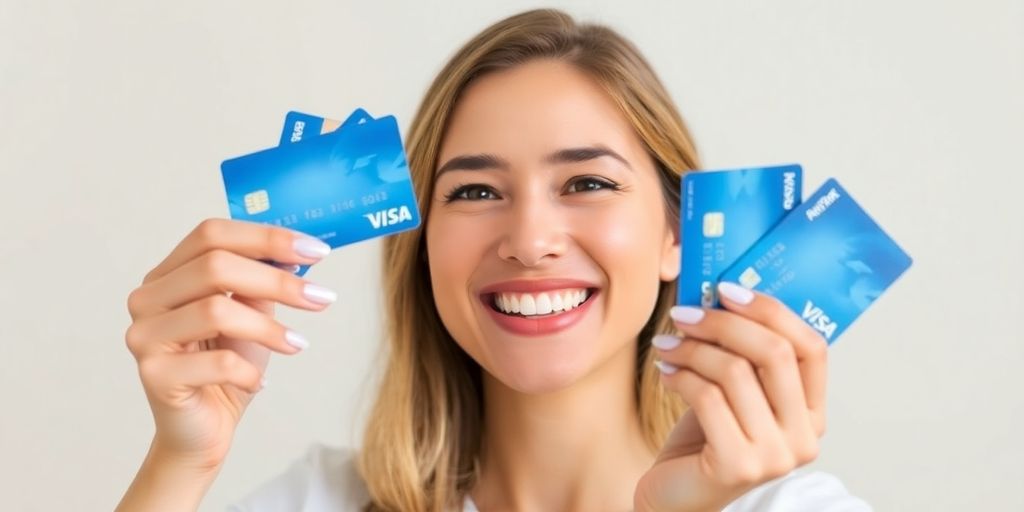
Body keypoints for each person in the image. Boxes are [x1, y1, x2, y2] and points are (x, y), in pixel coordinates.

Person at [117, 8, 871, 512]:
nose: (530, 239)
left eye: (587, 183)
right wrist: (181, 462)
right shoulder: (321, 500)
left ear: (679, 232)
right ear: (420, 239)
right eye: (475, 190)